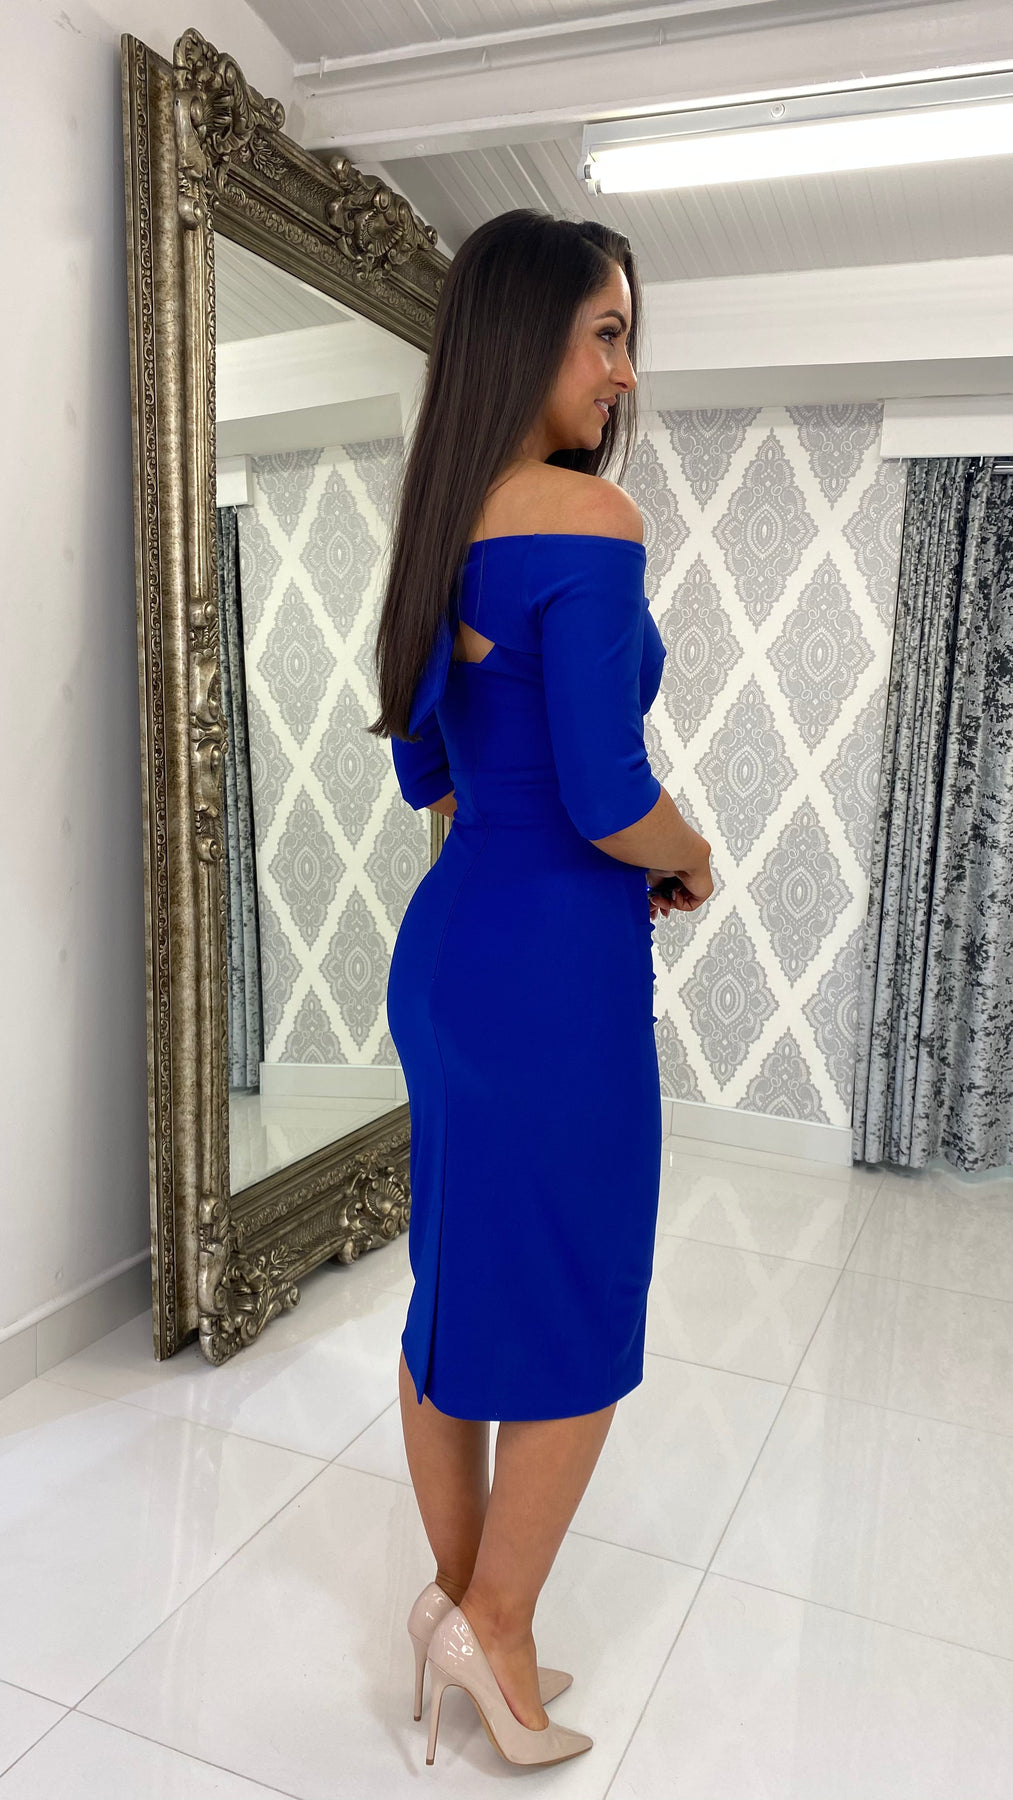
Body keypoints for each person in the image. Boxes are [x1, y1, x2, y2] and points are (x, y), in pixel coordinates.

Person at [369, 208, 713, 1770]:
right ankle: (495, 1629)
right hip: (553, 980)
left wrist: (539, 846)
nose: (623, 371)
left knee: (454, 1287)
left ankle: (464, 1612)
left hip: (451, 952)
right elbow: (604, 790)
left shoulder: (439, 529)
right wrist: (690, 852)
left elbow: (430, 774)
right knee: (577, 1296)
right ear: (527, 336)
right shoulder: (586, 517)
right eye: (605, 333)